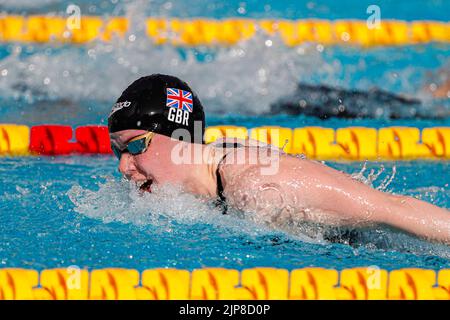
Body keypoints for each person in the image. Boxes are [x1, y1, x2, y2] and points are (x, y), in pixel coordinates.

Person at [108, 74, 450, 244]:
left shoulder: (260, 186)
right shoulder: (208, 177)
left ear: (182, 138)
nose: (124, 167)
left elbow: (392, 208)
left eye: (136, 146)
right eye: (117, 150)